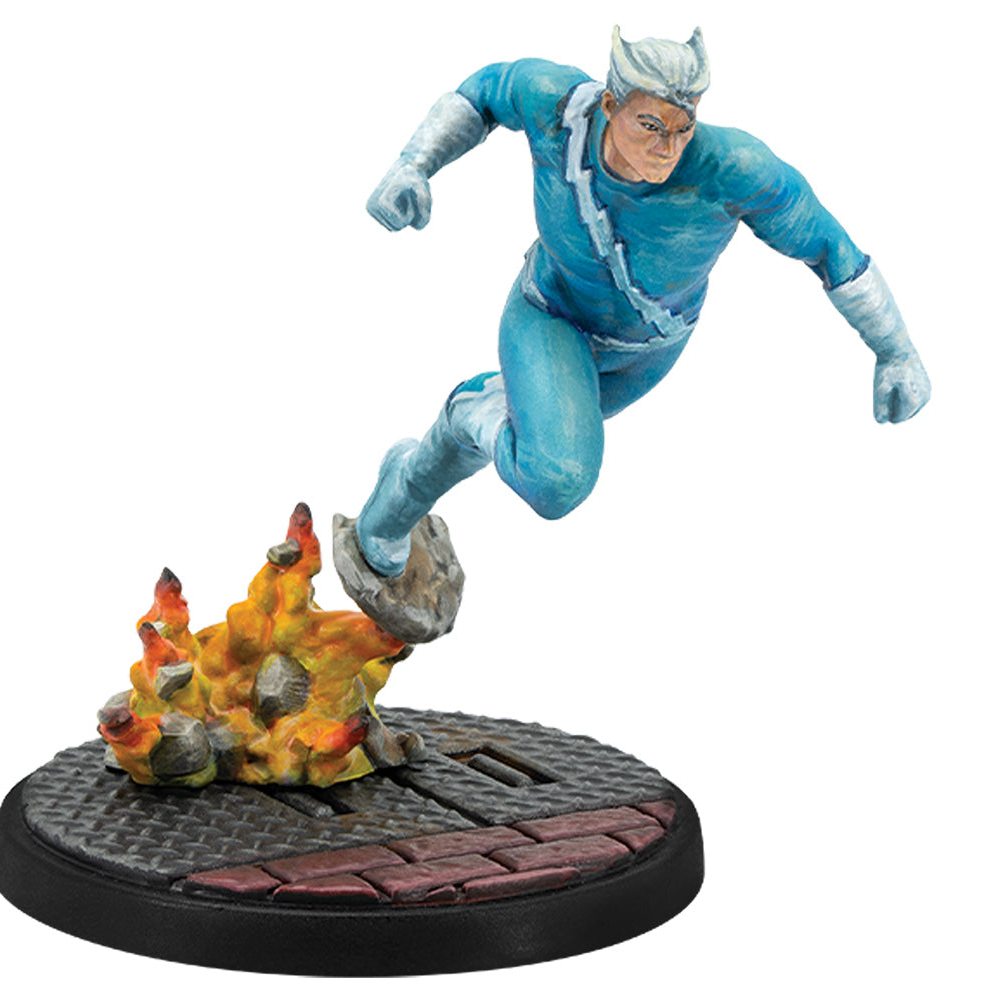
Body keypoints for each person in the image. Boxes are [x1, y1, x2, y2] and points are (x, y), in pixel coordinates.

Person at [345, 26, 931, 602]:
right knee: (556, 478)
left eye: (682, 128)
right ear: (610, 105)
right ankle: (469, 413)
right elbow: (482, 94)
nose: (668, 147)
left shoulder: (732, 169)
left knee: (533, 442)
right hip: (552, 315)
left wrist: (896, 349)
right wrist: (413, 164)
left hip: (650, 350)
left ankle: (392, 508)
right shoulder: (555, 106)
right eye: (650, 125)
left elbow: (831, 249)